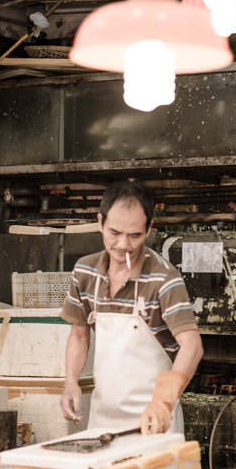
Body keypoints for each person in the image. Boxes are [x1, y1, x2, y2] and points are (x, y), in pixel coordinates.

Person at [59, 181, 203, 434]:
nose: (123, 244)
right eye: (114, 232)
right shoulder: (84, 271)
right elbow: (79, 334)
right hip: (103, 419)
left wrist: (164, 401)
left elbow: (192, 345)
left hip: (156, 420)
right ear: (100, 222)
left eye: (134, 235)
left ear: (148, 229)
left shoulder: (163, 278)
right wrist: (71, 381)